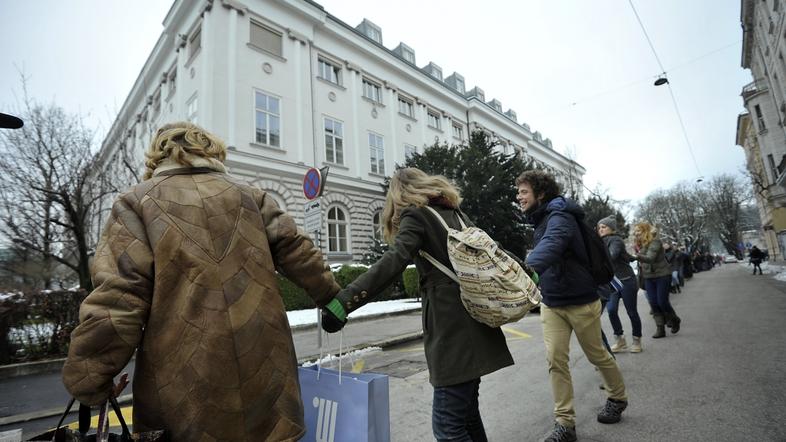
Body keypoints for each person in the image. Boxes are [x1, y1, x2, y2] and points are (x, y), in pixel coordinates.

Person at [62, 122, 341, 441]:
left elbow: (119, 298)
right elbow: (299, 251)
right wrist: (332, 299)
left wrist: (89, 377)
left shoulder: (136, 203)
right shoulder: (251, 195)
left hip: (183, 389)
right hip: (267, 377)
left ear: (157, 156)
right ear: (210, 149)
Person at [320, 167, 514, 442]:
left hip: (452, 332)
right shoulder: (455, 213)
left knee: (447, 427)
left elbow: (394, 262)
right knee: (467, 416)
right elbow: (493, 249)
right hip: (477, 319)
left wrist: (344, 302)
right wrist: (526, 271)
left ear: (398, 194)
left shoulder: (416, 214)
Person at [516, 170, 628, 442]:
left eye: (523, 191)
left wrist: (530, 268)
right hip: (552, 302)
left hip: (580, 300)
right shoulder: (541, 218)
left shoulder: (560, 215)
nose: (518, 196)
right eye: (518, 192)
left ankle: (618, 397)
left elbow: (553, 244)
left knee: (597, 354)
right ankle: (565, 424)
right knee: (555, 360)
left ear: (540, 193)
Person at [597, 215, 642, 353]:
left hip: (626, 280)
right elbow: (624, 256)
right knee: (611, 311)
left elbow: (612, 255)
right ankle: (620, 339)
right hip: (613, 283)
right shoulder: (600, 241)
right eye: (599, 227)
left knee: (631, 311)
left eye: (604, 227)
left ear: (611, 228)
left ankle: (637, 340)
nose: (600, 229)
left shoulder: (616, 240)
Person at [632, 222, 681, 339]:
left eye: (639, 230)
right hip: (648, 277)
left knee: (662, 302)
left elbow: (649, 258)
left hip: (662, 275)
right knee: (653, 303)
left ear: (645, 230)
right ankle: (660, 328)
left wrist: (635, 256)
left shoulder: (655, 242)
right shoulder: (638, 244)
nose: (636, 233)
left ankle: (675, 319)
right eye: (635, 231)